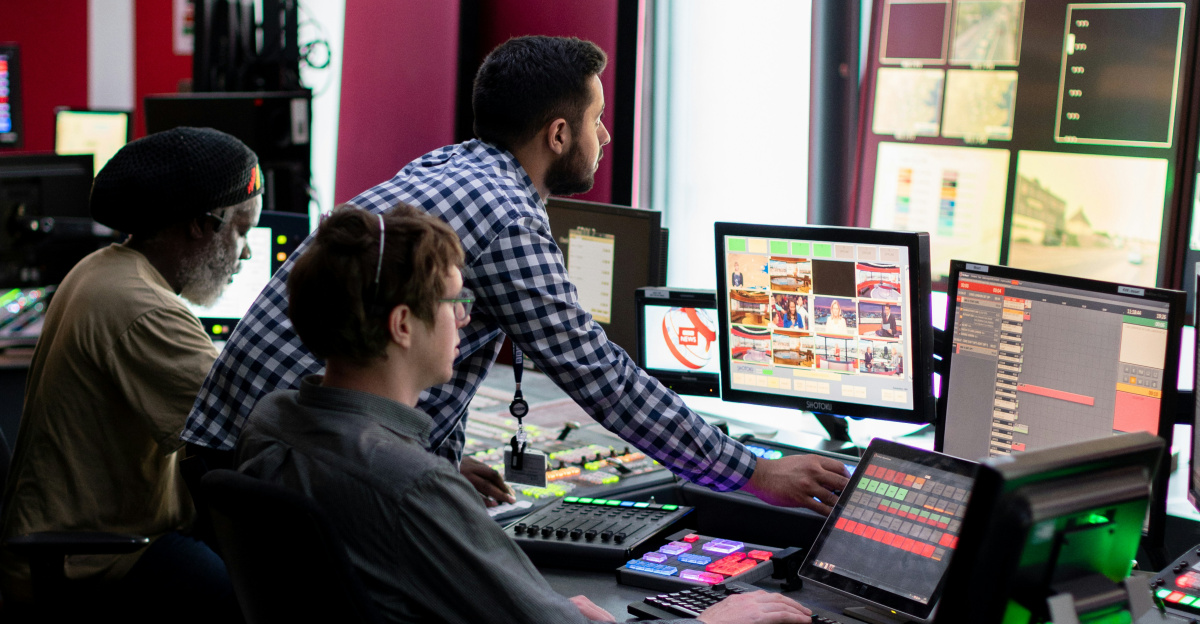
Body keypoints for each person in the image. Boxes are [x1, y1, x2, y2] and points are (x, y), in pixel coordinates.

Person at [183, 35, 849, 514]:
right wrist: (755, 471)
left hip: (241, 458)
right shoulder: (505, 215)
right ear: (558, 135)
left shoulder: (449, 165)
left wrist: (437, 465)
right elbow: (600, 375)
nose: (607, 136)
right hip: (295, 474)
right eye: (596, 120)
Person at [236, 204, 814, 624]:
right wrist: (717, 621)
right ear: (403, 324)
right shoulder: (415, 486)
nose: (466, 319)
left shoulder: (272, 420)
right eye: (455, 302)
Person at [0, 127, 255, 620]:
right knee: (257, 600)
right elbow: (245, 423)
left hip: (85, 539)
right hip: (95, 558)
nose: (245, 252)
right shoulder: (142, 308)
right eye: (240, 230)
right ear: (200, 225)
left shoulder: (105, 267)